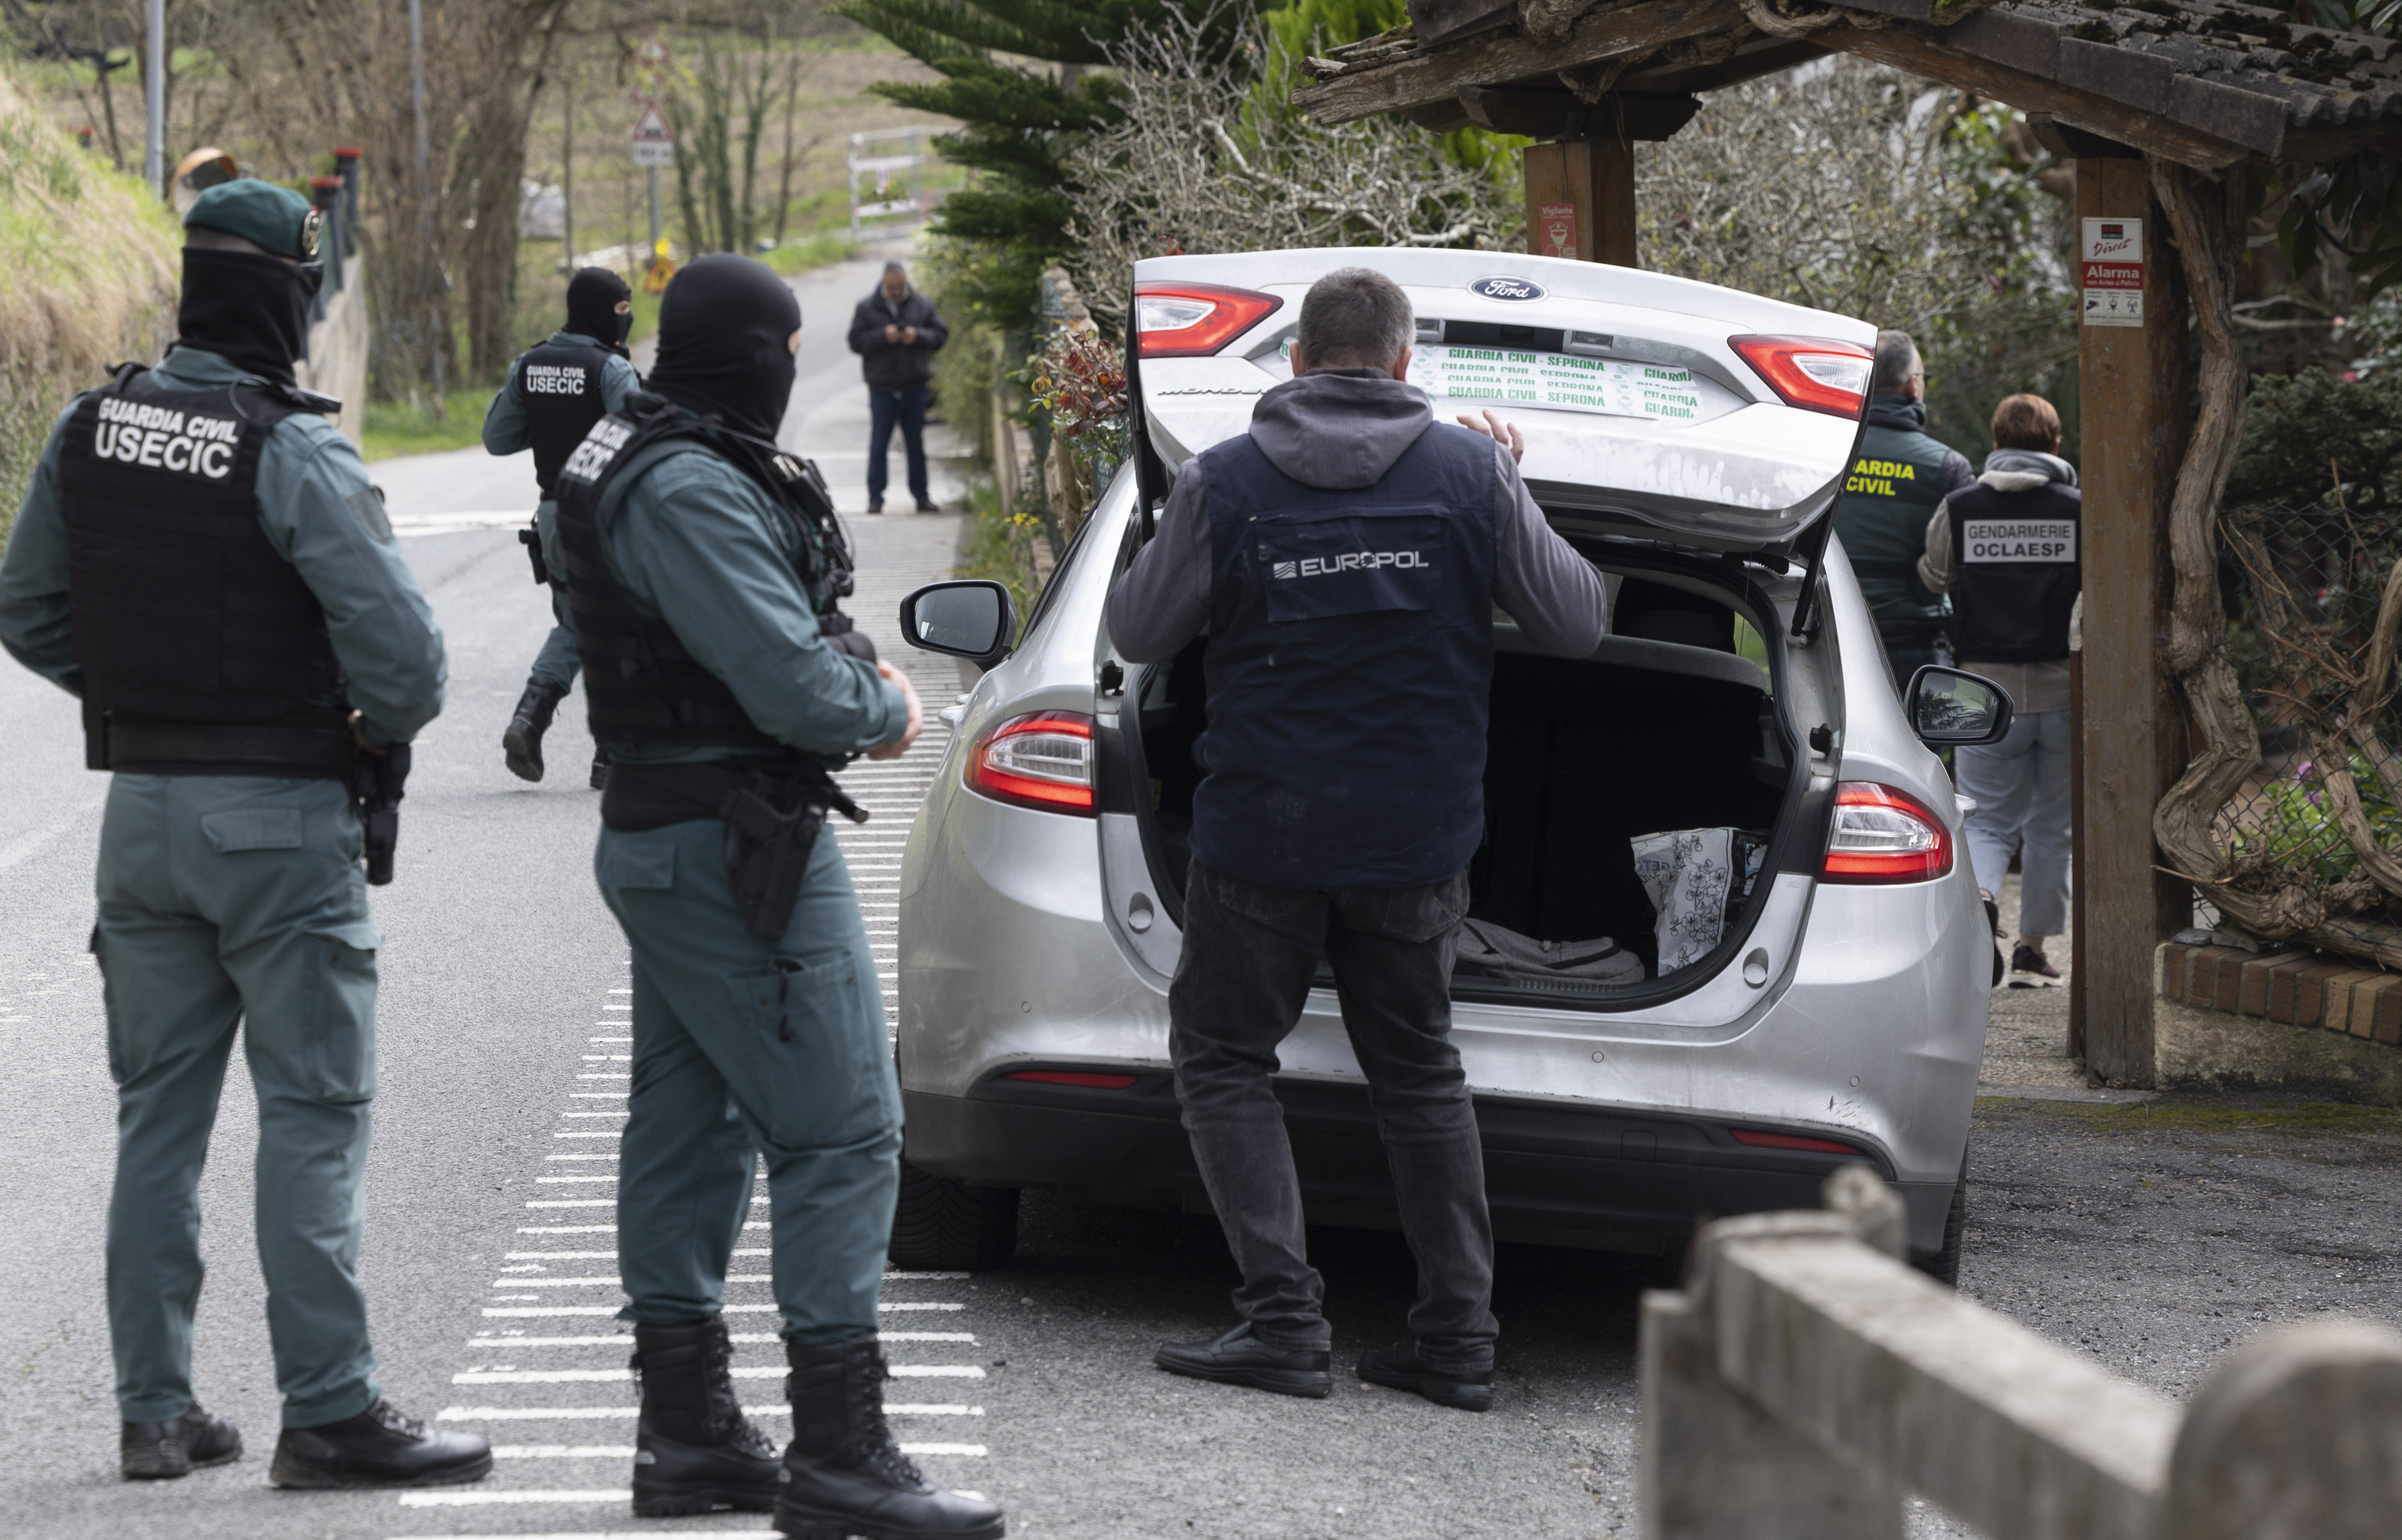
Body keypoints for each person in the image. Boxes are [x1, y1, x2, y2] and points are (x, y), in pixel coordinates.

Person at [0, 180, 485, 1488]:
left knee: (157, 1117)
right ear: (288, 291)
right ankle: (327, 1409)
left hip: (142, 814)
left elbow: (26, 610)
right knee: (313, 1114)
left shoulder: (87, 426)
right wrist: (354, 727)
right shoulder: (292, 446)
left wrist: (142, 700)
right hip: (275, 817)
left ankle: (154, 1412)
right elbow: (413, 665)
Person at [551, 253, 1002, 1539]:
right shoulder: (686, 480)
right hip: (733, 848)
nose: (795, 367)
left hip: (676, 840)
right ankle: (842, 1457)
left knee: (690, 1129)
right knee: (849, 1130)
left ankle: (690, 1438)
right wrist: (888, 701)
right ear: (752, 350)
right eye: (789, 345)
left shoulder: (627, 450)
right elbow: (794, 689)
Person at [1106, 267, 1611, 1414]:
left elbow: (1137, 629)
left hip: (1261, 838)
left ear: (1295, 362)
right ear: (1403, 362)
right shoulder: (1473, 470)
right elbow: (1579, 623)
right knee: (1420, 1077)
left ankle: (1284, 1326)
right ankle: (1457, 1343)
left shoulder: (1224, 480)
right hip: (1416, 839)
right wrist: (1510, 489)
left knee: (1226, 1058)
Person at [1919, 391, 2081, 986]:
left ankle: (1982, 903)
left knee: (1984, 821)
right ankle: (2031, 955)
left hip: (1980, 690)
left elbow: (1935, 572)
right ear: (2055, 446)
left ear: (1995, 444)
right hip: (2064, 686)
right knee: (2051, 825)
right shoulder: (2078, 508)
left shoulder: (1960, 506)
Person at [483, 267, 641, 788]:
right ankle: (609, 753)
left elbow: (498, 438)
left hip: (552, 516)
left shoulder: (529, 364)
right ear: (599, 310)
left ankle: (529, 721)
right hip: (606, 517)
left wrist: (552, 425)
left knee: (578, 622)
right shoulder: (610, 369)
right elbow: (643, 444)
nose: (627, 317)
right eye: (621, 308)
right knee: (622, 626)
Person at [1831, 329, 1974, 692]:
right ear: (1913, 385)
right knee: (1923, 745)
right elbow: (1965, 569)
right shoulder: (1948, 466)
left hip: (1833, 633)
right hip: (1917, 642)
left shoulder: (1830, 455)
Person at [845, 261, 946, 514]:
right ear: (883, 283)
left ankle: (921, 496)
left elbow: (940, 334)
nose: (896, 291)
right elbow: (855, 342)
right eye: (892, 287)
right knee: (879, 444)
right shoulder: (866, 308)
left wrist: (918, 336)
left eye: (900, 286)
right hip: (882, 388)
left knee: (915, 445)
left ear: (905, 282)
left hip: (914, 386)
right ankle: (875, 498)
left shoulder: (922, 304)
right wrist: (883, 336)